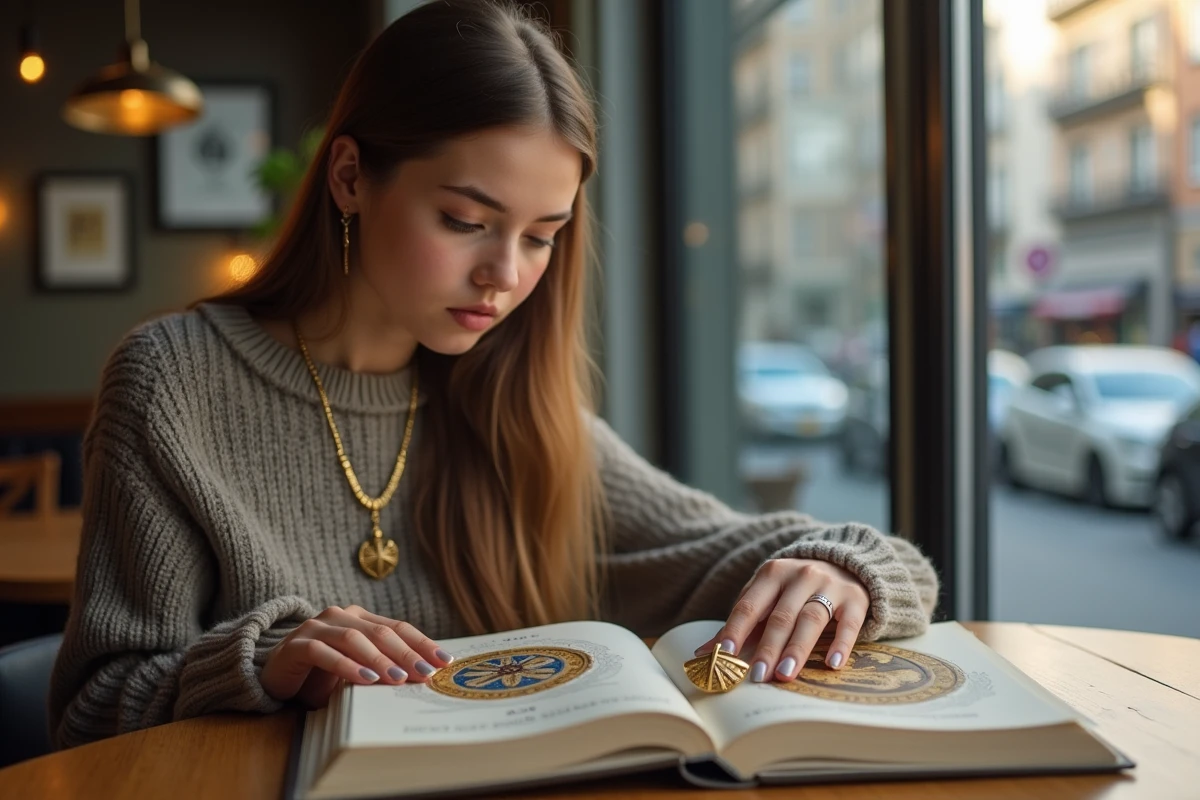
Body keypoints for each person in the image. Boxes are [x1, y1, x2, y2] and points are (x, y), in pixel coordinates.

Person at [48, 0, 937, 750]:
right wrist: (261, 661)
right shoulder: (173, 382)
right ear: (352, 177)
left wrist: (846, 572)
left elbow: (780, 552)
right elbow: (92, 707)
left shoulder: (513, 406)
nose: (505, 275)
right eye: (465, 219)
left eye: (542, 236)